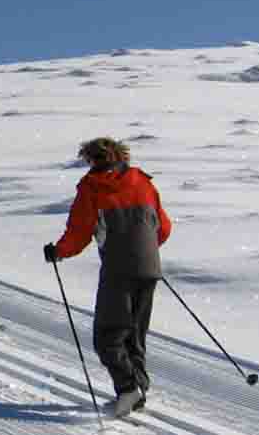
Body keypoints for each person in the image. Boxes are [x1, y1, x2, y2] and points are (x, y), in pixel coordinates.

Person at [43, 137, 171, 417]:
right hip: (150, 266)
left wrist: (58, 252)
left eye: (88, 160)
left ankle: (128, 389)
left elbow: (79, 232)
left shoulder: (93, 187)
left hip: (118, 268)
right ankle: (137, 391)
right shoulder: (142, 180)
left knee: (108, 336)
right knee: (135, 334)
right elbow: (163, 227)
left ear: (92, 159)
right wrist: (144, 250)